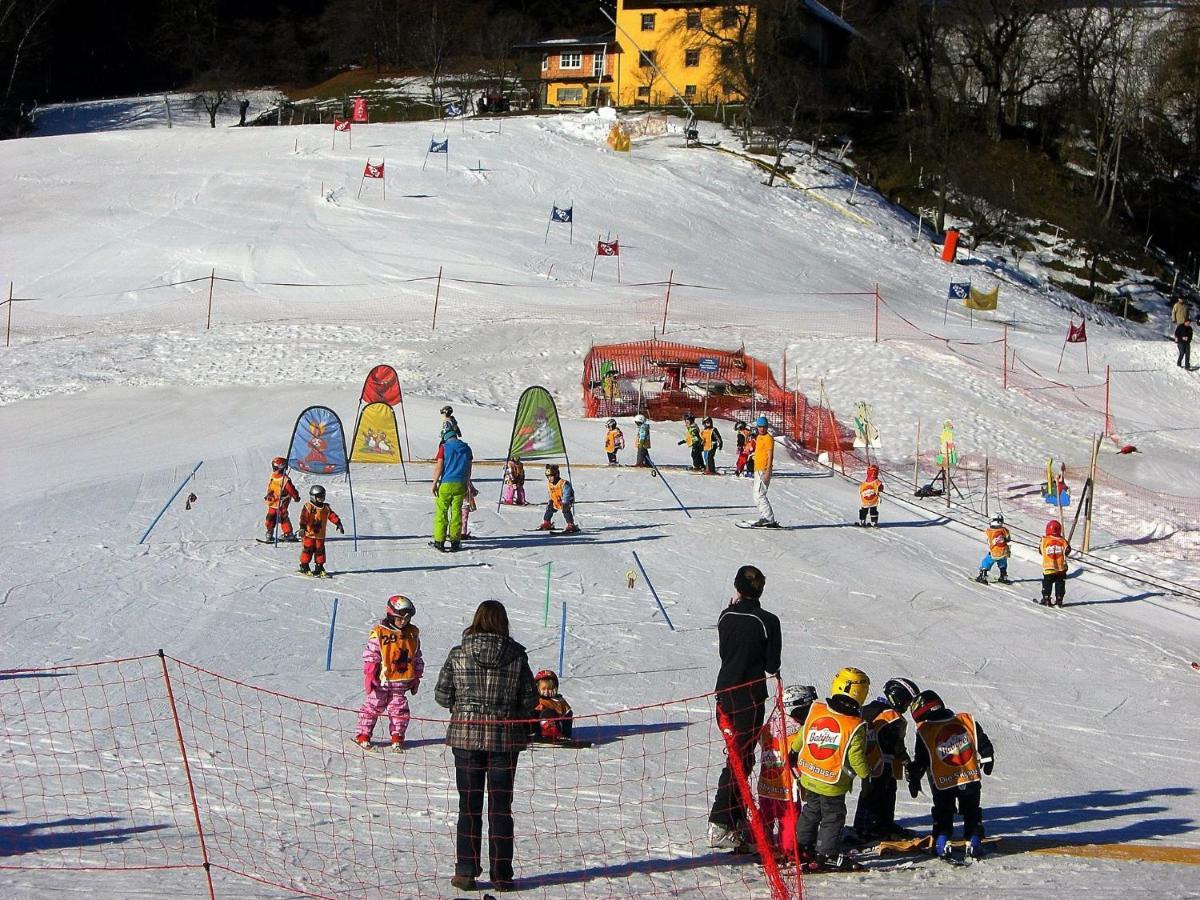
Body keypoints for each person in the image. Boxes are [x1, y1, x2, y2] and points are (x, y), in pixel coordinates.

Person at [435, 600, 538, 893]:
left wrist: (463, 707)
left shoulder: (459, 653)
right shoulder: (517, 656)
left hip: (466, 737)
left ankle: (466, 871)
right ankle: (502, 874)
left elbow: (442, 695)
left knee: (468, 807)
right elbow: (530, 698)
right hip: (505, 740)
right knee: (501, 808)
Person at [707, 565, 782, 850]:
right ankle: (721, 822)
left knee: (742, 757)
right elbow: (771, 664)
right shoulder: (767, 620)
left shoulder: (726, 615)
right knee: (739, 758)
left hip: (724, 693)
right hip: (749, 696)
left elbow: (726, 651)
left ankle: (735, 818)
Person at [790, 667, 872, 871]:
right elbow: (855, 757)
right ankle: (827, 853)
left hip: (809, 775)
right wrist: (865, 775)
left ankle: (801, 846)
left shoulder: (817, 709)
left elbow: (803, 733)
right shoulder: (855, 725)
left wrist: (794, 751)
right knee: (832, 817)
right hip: (832, 782)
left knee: (810, 811)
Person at [906, 689, 995, 860]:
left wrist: (915, 776)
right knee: (971, 811)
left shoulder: (925, 730)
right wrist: (987, 756)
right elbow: (983, 742)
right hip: (969, 778)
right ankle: (973, 840)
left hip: (942, 782)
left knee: (943, 811)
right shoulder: (966, 721)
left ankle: (942, 841)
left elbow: (921, 760)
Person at [852, 677, 920, 842]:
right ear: (898, 697)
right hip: (883, 763)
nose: (906, 707)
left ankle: (864, 826)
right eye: (907, 702)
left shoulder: (865, 709)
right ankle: (878, 827)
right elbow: (897, 745)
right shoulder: (892, 716)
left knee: (869, 793)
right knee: (884, 794)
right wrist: (907, 762)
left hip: (865, 760)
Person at [355, 595, 424, 751]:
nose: (404, 622)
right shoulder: (380, 632)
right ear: (391, 615)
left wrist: (417, 675)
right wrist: (371, 672)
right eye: (400, 618)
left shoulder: (412, 633)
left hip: (402, 680)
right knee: (373, 706)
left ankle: (397, 736)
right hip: (382, 680)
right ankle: (363, 734)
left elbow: (416, 655)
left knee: (400, 710)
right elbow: (371, 654)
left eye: (407, 618)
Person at [757, 684, 815, 854]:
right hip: (787, 784)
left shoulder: (771, 723)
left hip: (767, 781)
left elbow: (762, 740)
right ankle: (788, 848)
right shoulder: (798, 730)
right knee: (789, 816)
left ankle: (762, 844)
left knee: (766, 813)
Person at [431, 433, 473, 552]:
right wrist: (467, 481)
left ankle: (439, 541)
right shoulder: (467, 448)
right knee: (456, 513)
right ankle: (455, 541)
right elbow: (469, 468)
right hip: (460, 484)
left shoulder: (444, 448)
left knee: (442, 512)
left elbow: (439, 466)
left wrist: (434, 483)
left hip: (446, 484)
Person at [298, 485, 343, 576]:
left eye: (323, 496)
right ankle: (304, 565)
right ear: (313, 497)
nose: (322, 499)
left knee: (320, 550)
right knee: (308, 549)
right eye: (319, 497)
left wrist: (338, 523)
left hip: (320, 535)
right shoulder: (309, 507)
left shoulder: (325, 508)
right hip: (309, 534)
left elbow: (331, 515)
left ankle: (319, 566)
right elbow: (303, 517)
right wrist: (302, 527)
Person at [263, 456, 301, 542]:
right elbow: (271, 486)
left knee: (282, 516)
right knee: (270, 517)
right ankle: (270, 531)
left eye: (275, 468)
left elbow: (291, 489)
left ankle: (288, 533)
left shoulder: (285, 479)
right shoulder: (273, 476)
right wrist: (268, 494)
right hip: (272, 501)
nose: (274, 470)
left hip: (282, 501)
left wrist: (296, 496)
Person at [750, 416, 778, 527]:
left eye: (764, 427)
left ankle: (769, 518)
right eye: (760, 427)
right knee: (756, 494)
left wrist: (768, 471)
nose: (761, 429)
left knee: (760, 494)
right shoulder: (759, 437)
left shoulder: (768, 438)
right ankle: (764, 516)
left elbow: (770, 455)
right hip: (757, 469)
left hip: (763, 469)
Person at [531, 669, 573, 741]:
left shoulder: (558, 701)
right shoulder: (535, 699)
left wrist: (566, 734)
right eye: (543, 689)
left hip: (555, 728)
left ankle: (551, 732)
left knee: (548, 712)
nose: (546, 691)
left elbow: (568, 716)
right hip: (536, 728)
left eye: (550, 689)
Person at [537, 464, 578, 534]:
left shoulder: (563, 483)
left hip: (566, 500)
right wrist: (550, 500)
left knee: (565, 510)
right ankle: (547, 522)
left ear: (556, 475)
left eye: (551, 476)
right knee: (549, 508)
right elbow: (551, 493)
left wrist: (565, 502)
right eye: (548, 477)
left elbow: (567, 493)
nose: (549, 479)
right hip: (556, 500)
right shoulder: (550, 484)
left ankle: (571, 524)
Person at [1039, 519, 1070, 607]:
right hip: (1061, 569)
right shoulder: (1063, 541)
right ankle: (1059, 599)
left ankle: (1046, 598)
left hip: (1049, 568)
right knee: (1060, 584)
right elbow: (1068, 550)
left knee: (1047, 583)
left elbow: (1040, 551)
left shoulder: (1044, 540)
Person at [976, 514, 1013, 584]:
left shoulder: (990, 531)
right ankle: (1003, 576)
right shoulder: (1005, 530)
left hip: (994, 552)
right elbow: (1008, 539)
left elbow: (992, 540)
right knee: (1003, 563)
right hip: (1004, 552)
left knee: (987, 562)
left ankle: (983, 575)